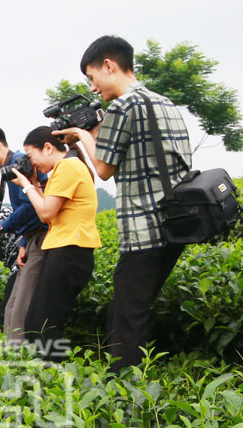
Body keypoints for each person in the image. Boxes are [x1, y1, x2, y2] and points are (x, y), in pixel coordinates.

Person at [55, 35, 192, 370]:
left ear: (109, 65)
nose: (94, 86)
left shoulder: (124, 105)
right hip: (175, 223)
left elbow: (102, 169)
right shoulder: (164, 103)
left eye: (92, 78)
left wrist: (81, 135)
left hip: (144, 228)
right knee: (133, 308)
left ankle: (125, 394)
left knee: (126, 314)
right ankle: (140, 378)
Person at [8, 126, 102, 357]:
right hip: (64, 248)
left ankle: (51, 376)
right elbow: (48, 209)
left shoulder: (68, 166)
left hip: (69, 249)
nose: (32, 163)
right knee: (38, 319)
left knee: (44, 322)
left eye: (31, 156)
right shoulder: (65, 167)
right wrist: (34, 183)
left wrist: (27, 186)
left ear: (48, 147)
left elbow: (46, 213)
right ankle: (47, 374)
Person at [0, 126, 48, 342]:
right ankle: (14, 355)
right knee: (12, 307)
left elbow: (33, 206)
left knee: (20, 308)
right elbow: (28, 207)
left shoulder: (20, 163)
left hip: (42, 238)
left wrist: (0, 229)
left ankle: (19, 359)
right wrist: (23, 242)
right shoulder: (11, 168)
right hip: (31, 239)